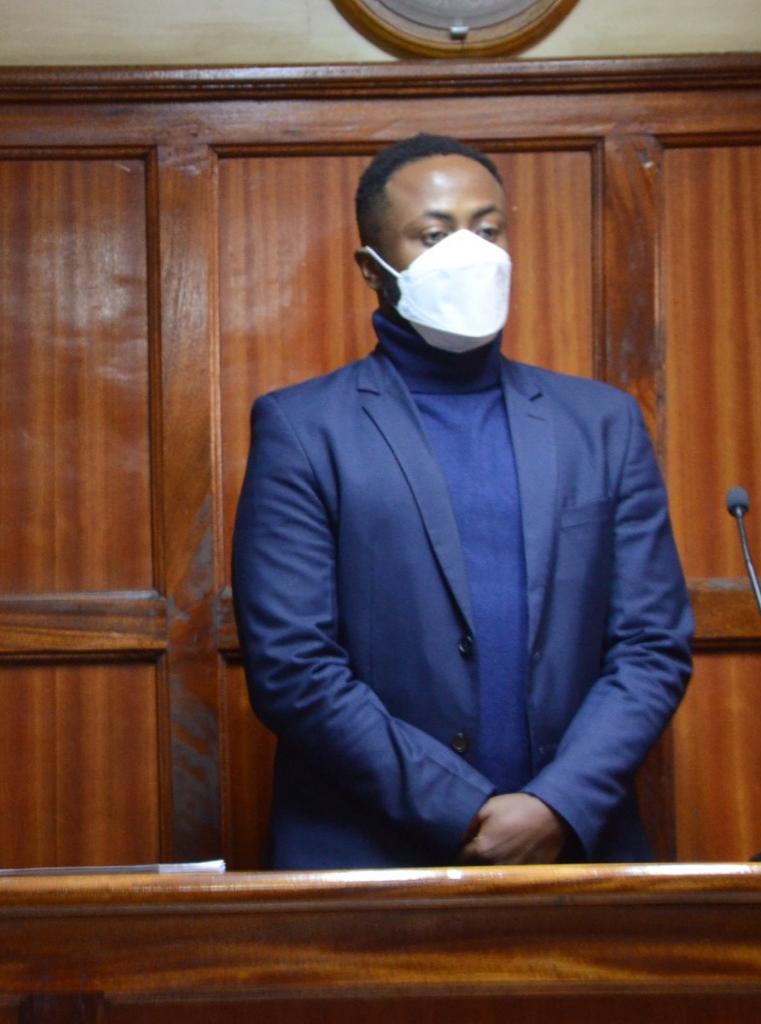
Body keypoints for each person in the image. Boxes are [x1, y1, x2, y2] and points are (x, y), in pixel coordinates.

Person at [232, 134, 693, 870]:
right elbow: (293, 665)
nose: (469, 253)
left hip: (576, 852)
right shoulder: (303, 427)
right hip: (366, 857)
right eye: (434, 234)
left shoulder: (601, 422)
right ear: (372, 268)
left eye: (488, 229)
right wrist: (464, 810)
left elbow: (650, 645)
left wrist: (557, 804)